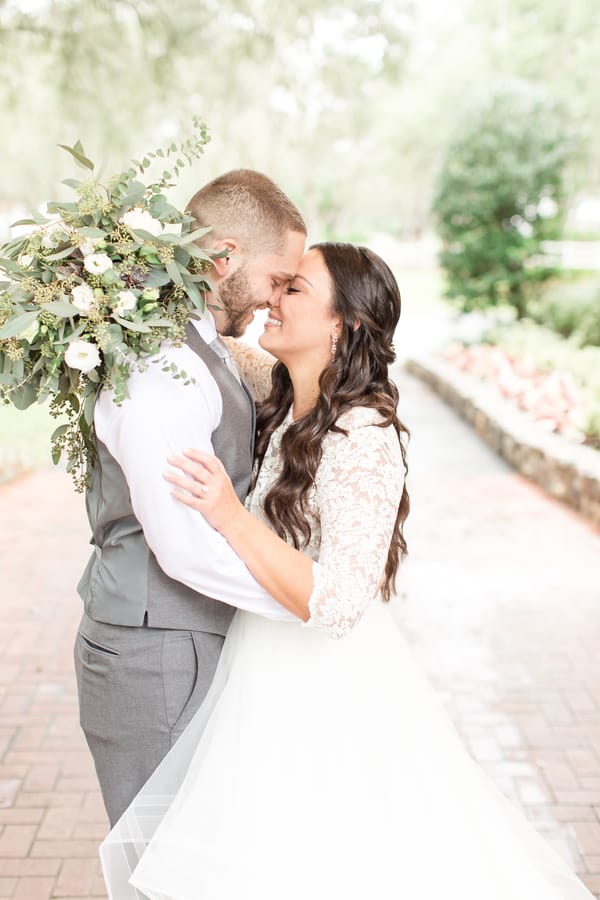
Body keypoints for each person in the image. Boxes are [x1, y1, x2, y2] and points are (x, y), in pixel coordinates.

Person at [100, 243, 593, 900]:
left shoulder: (363, 432)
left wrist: (230, 515)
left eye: (294, 289)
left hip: (323, 686)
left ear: (343, 324)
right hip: (260, 669)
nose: (273, 298)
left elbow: (338, 603)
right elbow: (202, 351)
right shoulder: (281, 406)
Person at [74, 169, 306, 827]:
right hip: (159, 650)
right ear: (223, 257)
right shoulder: (161, 370)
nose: (277, 297)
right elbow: (183, 548)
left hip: (182, 638)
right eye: (276, 278)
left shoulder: (201, 346)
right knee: (165, 864)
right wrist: (304, 604)